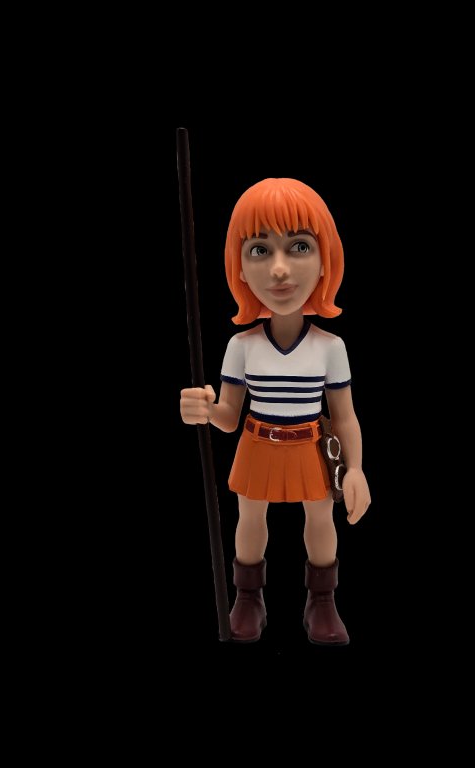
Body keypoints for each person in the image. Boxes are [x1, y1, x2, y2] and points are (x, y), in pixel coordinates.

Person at [179, 178, 371, 645]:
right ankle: (248, 597)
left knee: (320, 520)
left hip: (311, 445)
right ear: (240, 268)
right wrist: (205, 408)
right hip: (257, 442)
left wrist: (355, 469)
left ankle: (322, 601)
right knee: (249, 518)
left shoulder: (330, 347)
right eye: (260, 250)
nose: (280, 269)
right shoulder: (241, 346)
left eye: (299, 246)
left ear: (325, 259)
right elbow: (229, 417)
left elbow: (344, 415)